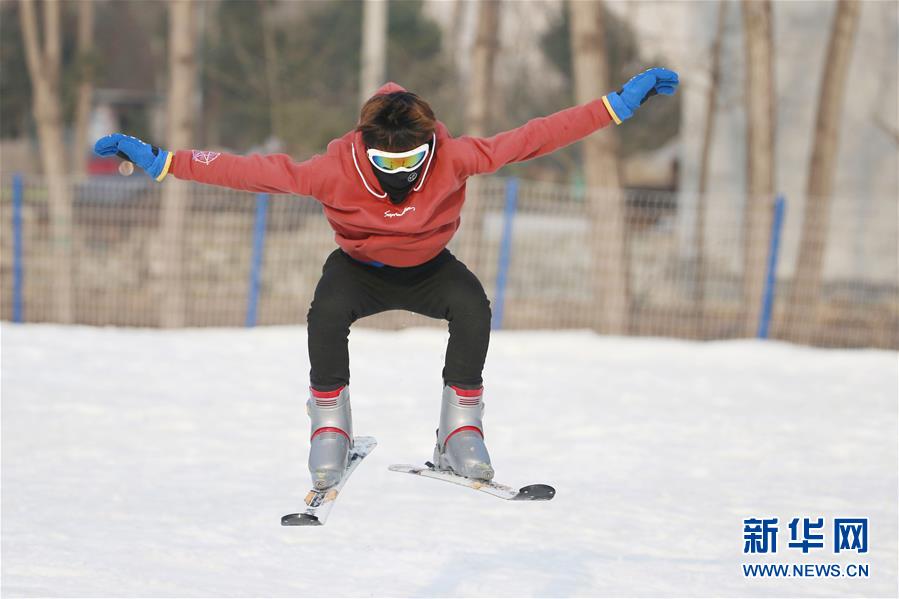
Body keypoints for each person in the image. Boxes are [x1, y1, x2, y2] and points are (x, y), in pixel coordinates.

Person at [94, 68, 679, 490]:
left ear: (429, 147)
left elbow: (536, 136)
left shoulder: (456, 155)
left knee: (472, 305)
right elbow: (251, 171)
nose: (399, 174)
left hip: (430, 270)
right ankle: (329, 426)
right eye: (386, 164)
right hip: (360, 271)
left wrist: (615, 107)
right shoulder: (332, 171)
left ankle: (459, 430)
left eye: (409, 163)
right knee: (325, 313)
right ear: (365, 150)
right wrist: (165, 160)